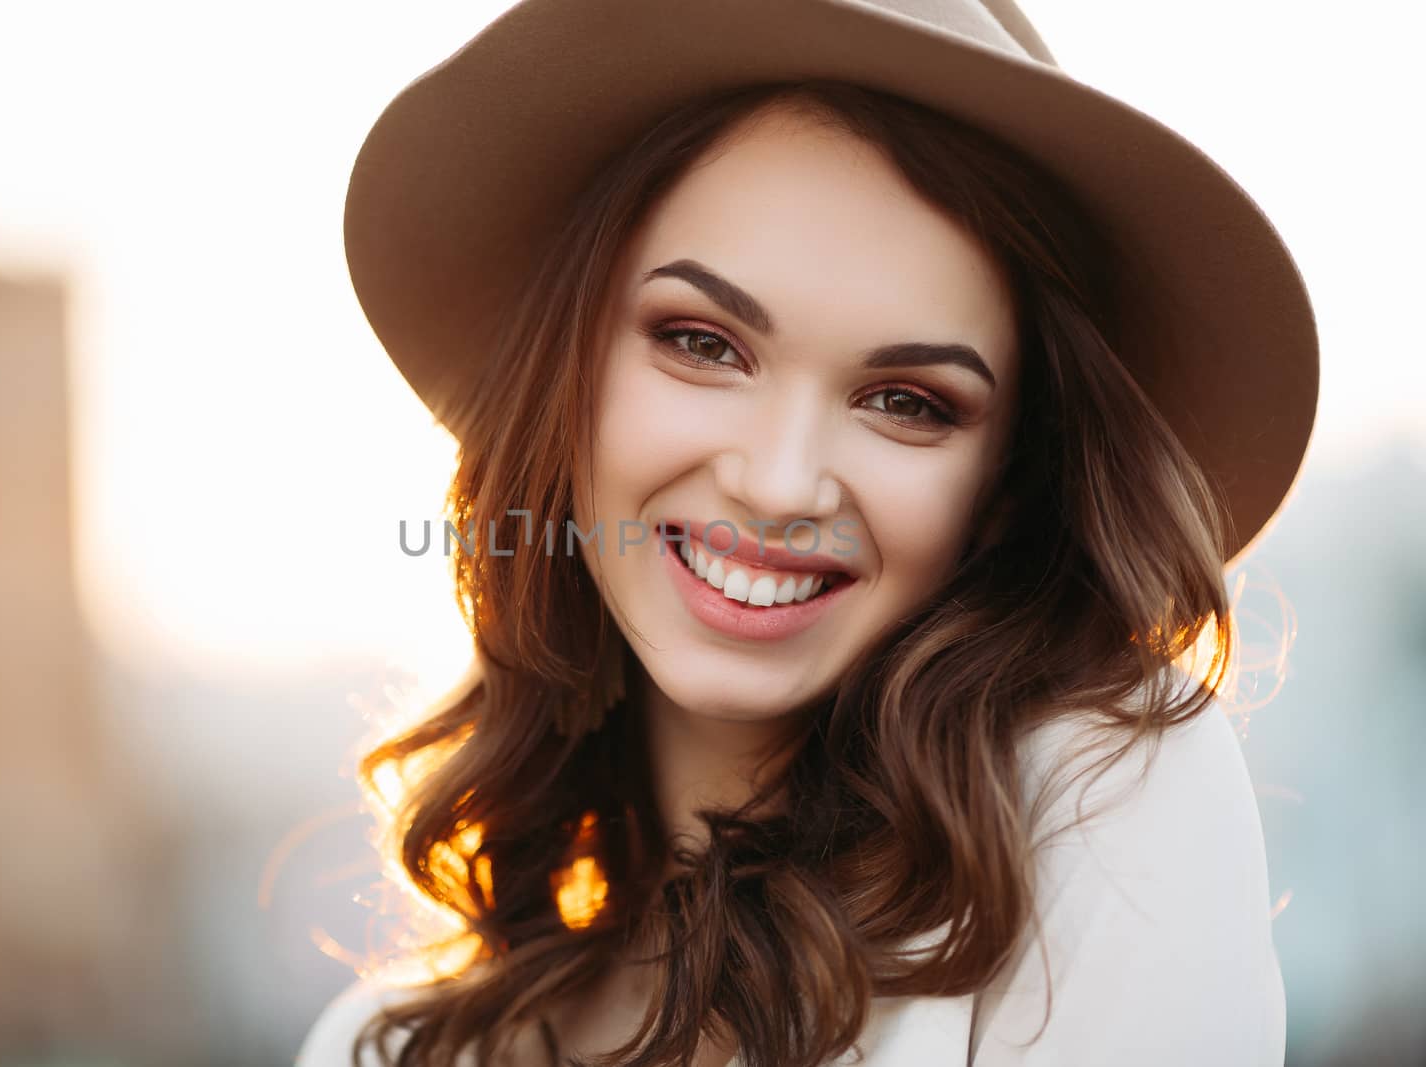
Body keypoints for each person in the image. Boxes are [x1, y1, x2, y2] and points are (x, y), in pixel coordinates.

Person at [299, 1, 1316, 1064]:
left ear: (1008, 483)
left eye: (907, 401)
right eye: (702, 343)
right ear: (569, 373)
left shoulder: (1102, 799)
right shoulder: (376, 1047)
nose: (780, 480)